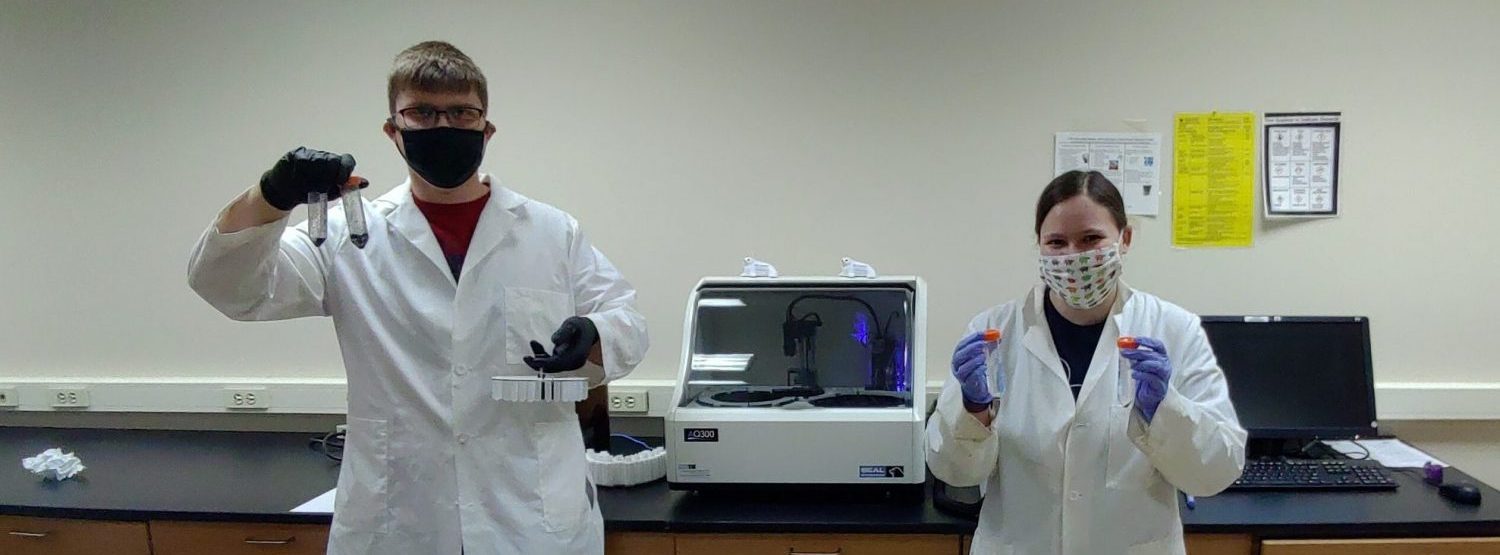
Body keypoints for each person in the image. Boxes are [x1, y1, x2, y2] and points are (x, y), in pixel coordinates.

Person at [187, 41, 647, 555]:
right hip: (401, 524)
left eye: (460, 112)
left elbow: (627, 319)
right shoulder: (345, 234)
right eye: (422, 112)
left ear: (485, 128)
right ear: (393, 130)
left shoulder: (551, 232)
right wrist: (270, 196)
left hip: (531, 522)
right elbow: (231, 289)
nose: (442, 126)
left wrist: (595, 336)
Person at [926, 170, 1244, 554]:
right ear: (1039, 247)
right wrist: (973, 411)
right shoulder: (994, 333)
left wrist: (1164, 411)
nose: (1073, 256)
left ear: (1124, 239)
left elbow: (1216, 472)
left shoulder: (1173, 330)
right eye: (1057, 242)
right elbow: (955, 471)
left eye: (1091, 238)